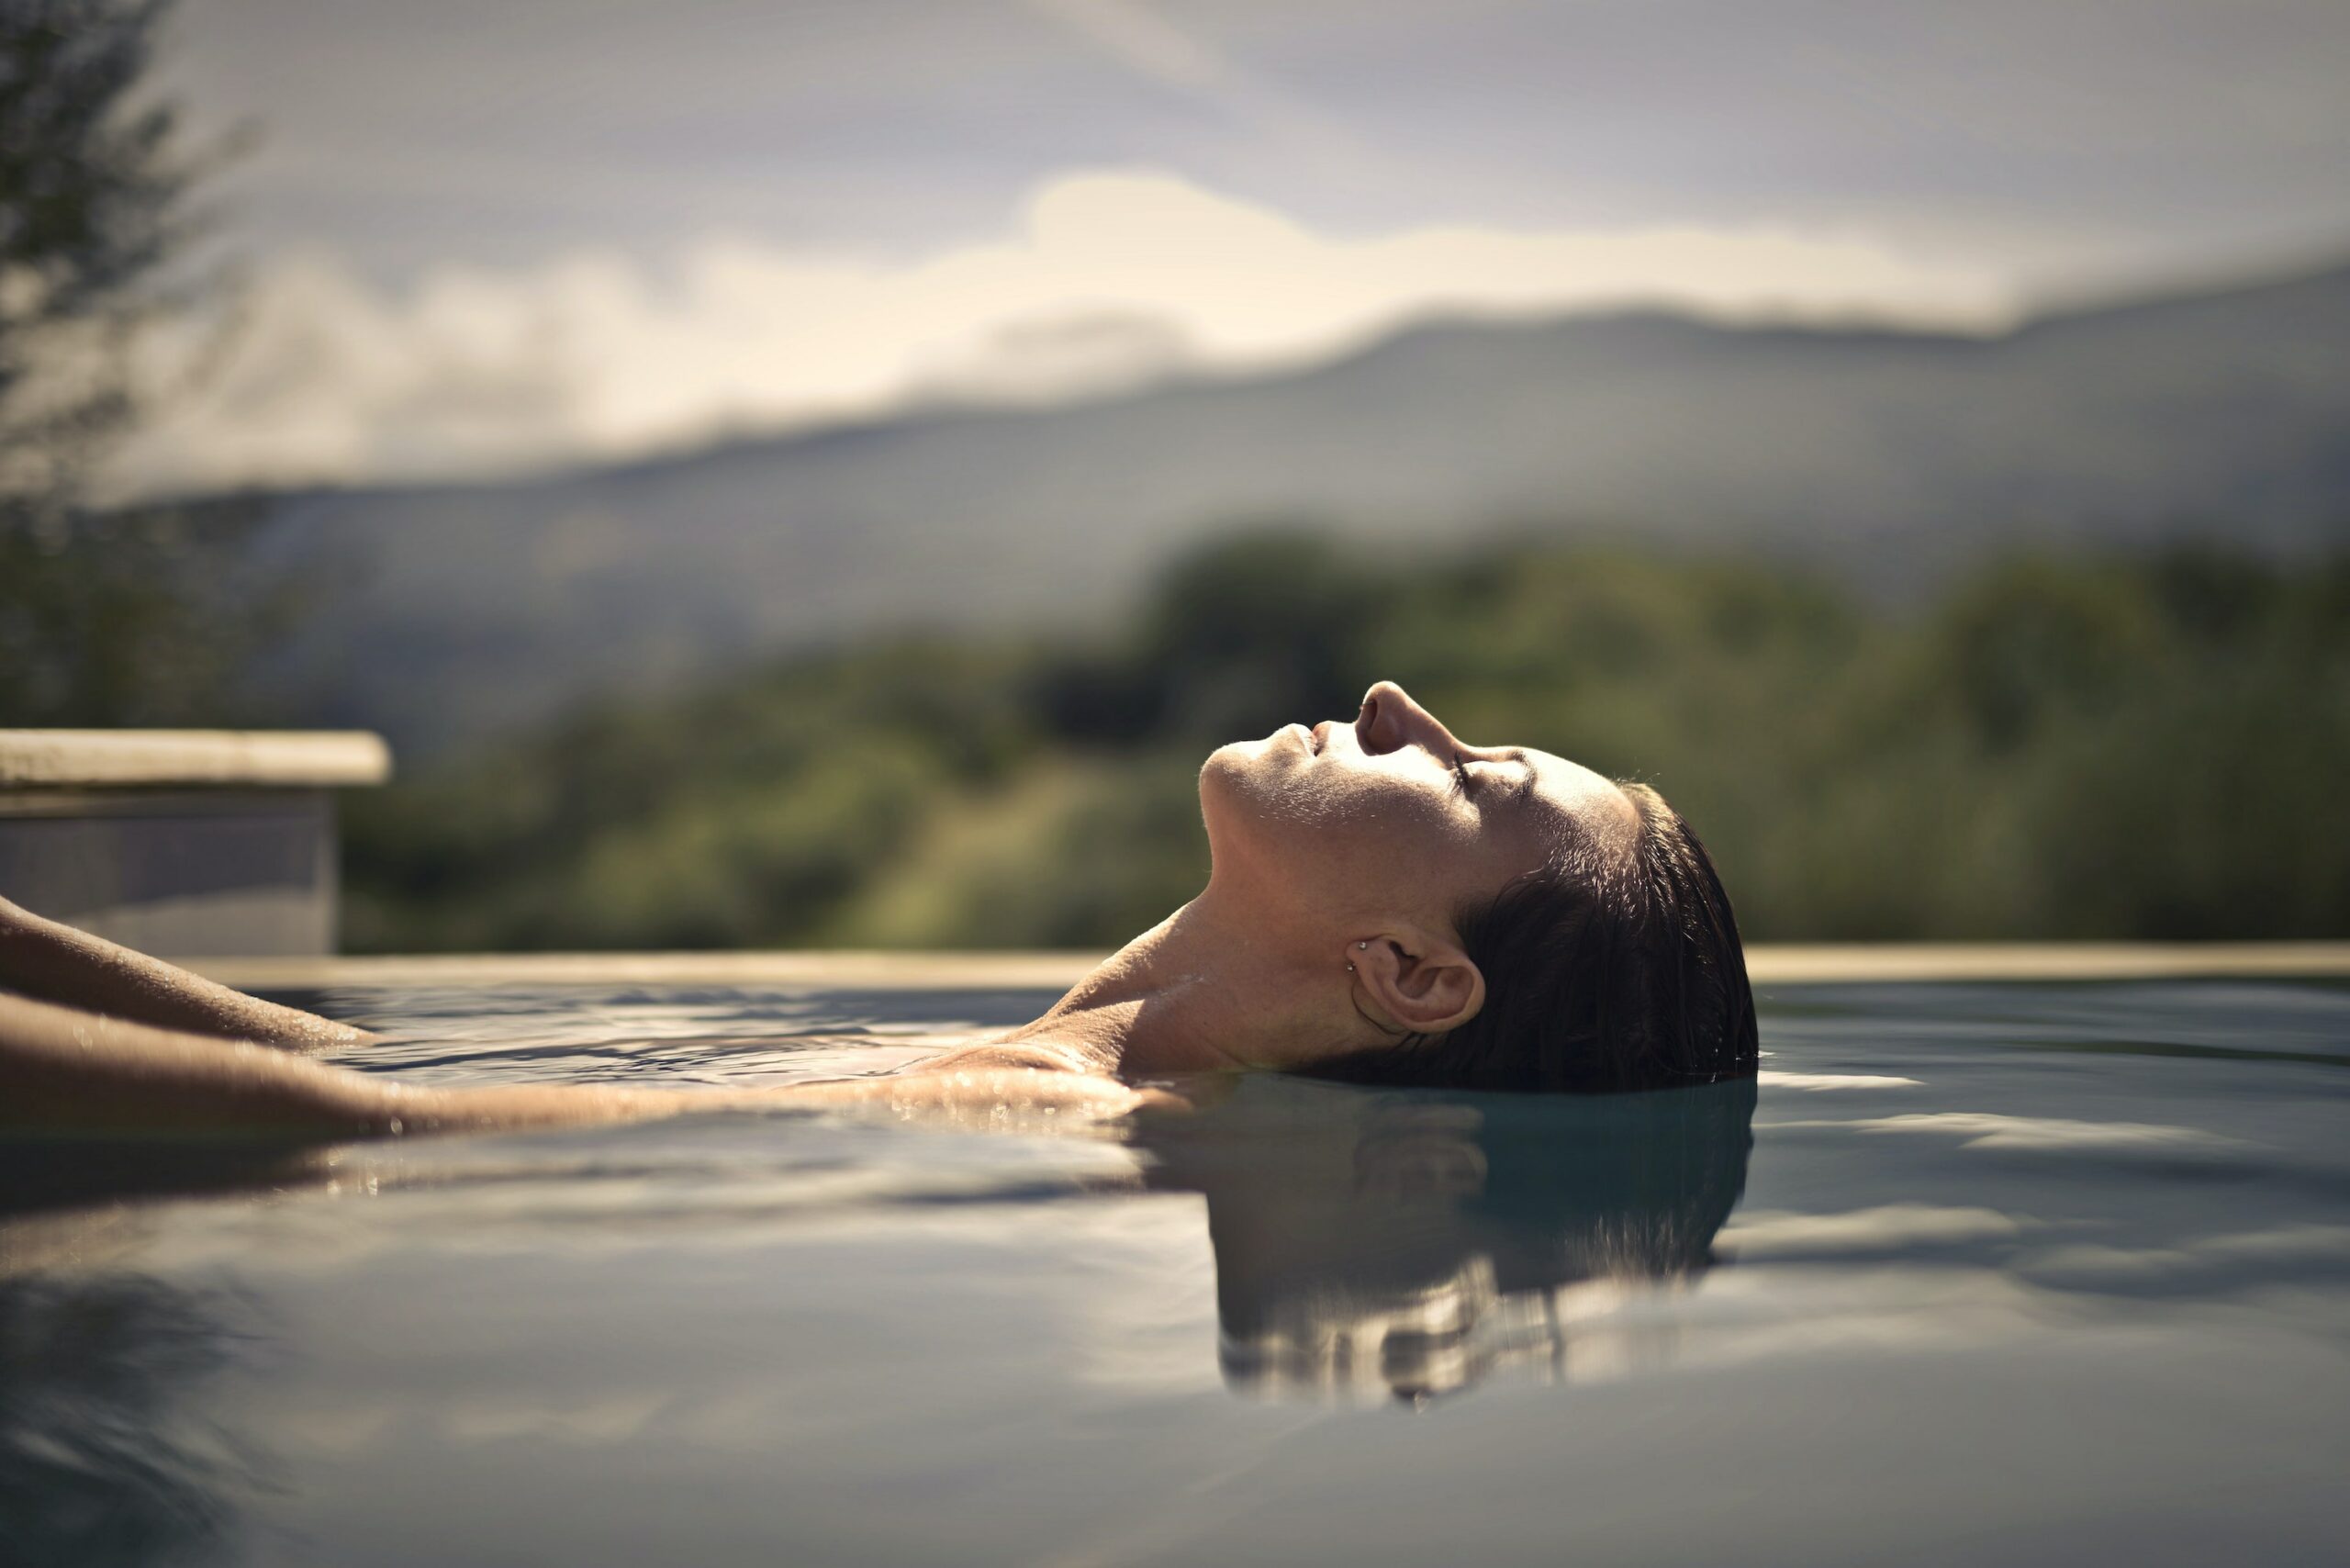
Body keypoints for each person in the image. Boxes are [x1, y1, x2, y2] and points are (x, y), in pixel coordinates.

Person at [0, 681, 1755, 1137]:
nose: (1397, 710)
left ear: (1409, 977)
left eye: (1474, 782)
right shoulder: (1045, 1055)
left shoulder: (1034, 1106)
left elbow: (355, 1133)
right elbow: (324, 1049)